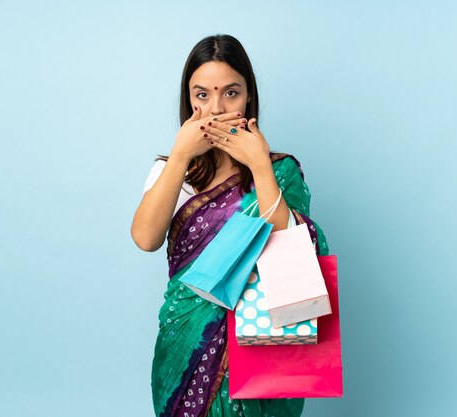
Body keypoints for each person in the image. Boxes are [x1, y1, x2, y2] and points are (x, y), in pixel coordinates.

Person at [131, 34, 330, 417]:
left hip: (265, 337)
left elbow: (297, 250)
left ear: (248, 97)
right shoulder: (172, 170)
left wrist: (258, 165)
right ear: (188, 100)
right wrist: (180, 156)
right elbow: (145, 238)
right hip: (186, 342)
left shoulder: (278, 171)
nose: (216, 108)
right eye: (202, 95)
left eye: (231, 93)